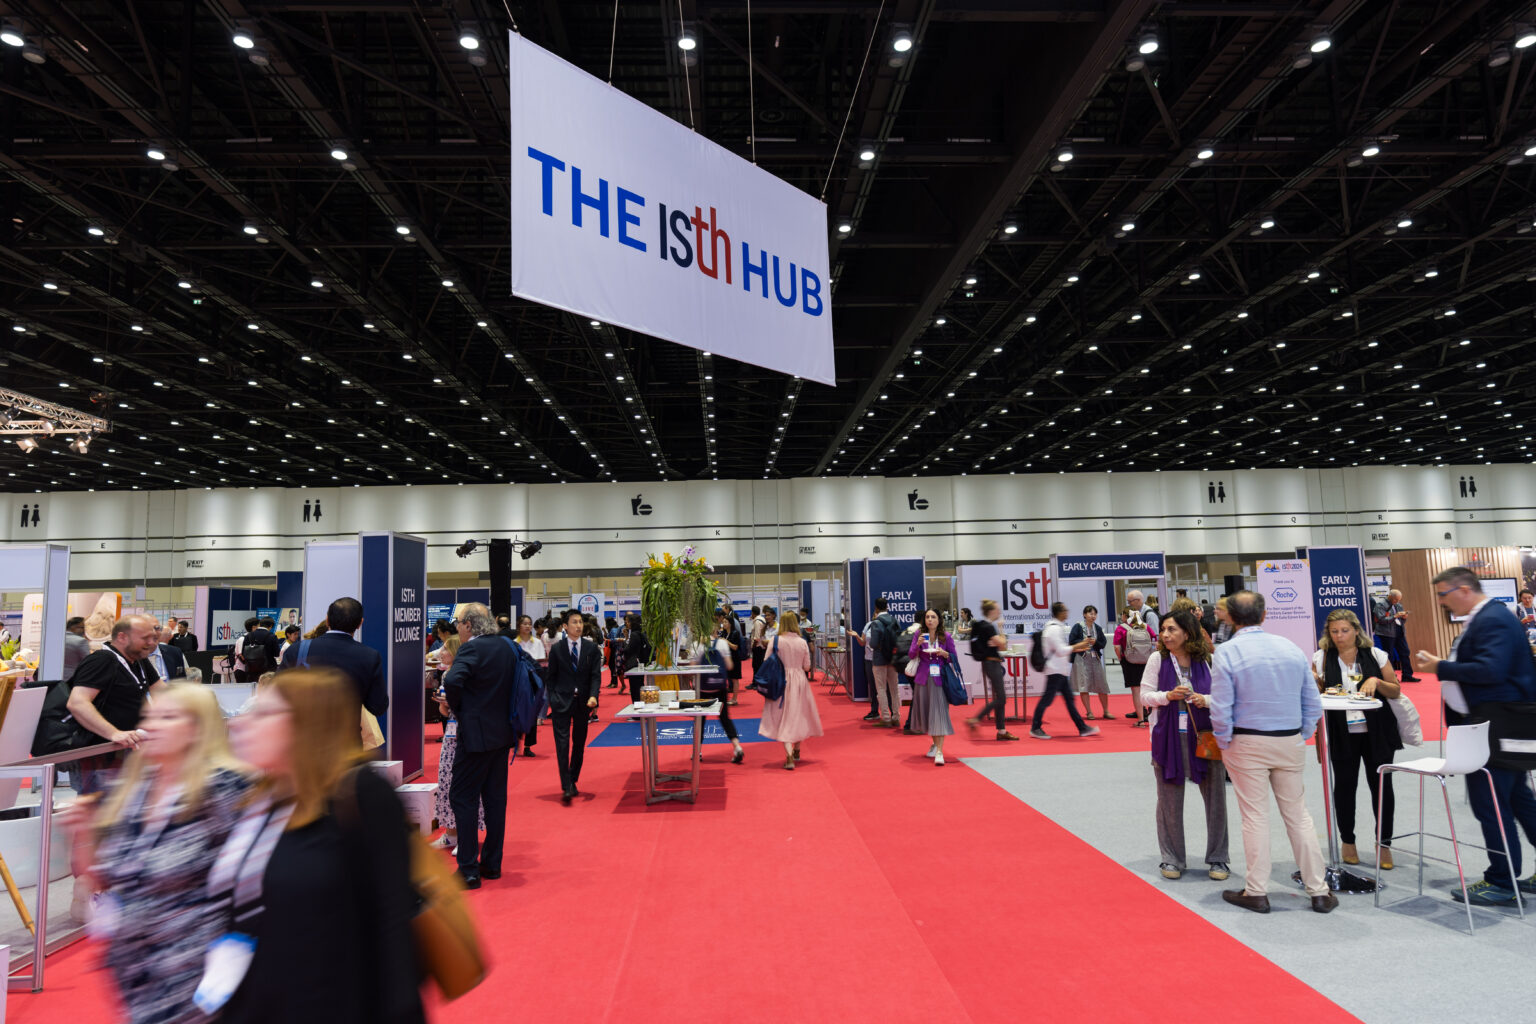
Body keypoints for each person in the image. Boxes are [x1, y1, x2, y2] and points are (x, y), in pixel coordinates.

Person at [216, 669, 423, 1023]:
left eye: (263, 714)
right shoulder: (259, 800)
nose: (241, 724)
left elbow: (393, 926)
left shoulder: (361, 796)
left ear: (304, 725)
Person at [85, 683, 251, 1024]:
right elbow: (113, 875)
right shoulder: (135, 785)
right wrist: (81, 838)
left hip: (199, 975)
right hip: (136, 973)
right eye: (150, 716)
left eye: (168, 717)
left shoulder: (225, 787)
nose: (151, 726)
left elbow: (252, 886)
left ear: (196, 729)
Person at [1414, 567, 1536, 905]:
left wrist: (1439, 667)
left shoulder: (1493, 619)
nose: (1440, 602)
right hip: (1500, 725)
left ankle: (1502, 881)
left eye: (1443, 594)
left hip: (1496, 726)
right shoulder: (1489, 617)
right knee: (1517, 800)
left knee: (1492, 804)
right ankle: (1505, 876)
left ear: (1464, 589)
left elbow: (1490, 670)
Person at [1209, 591, 1334, 914]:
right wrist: (1302, 733)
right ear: (1264, 616)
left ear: (1232, 618)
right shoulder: (1291, 648)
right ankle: (1319, 890)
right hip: (1288, 739)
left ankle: (1256, 892)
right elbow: (1312, 701)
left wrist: (1223, 741)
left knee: (1254, 817)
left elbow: (1221, 706)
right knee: (1299, 816)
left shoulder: (1227, 652)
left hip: (1246, 741)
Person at [1140, 609, 1229, 882]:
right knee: (1168, 800)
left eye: (1171, 630)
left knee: (1216, 800)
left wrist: (1205, 699)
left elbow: (1224, 696)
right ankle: (1171, 858)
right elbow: (1145, 696)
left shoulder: (1209, 660)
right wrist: (1167, 695)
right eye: (1164, 629)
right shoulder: (1158, 659)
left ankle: (1218, 859)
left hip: (1205, 736)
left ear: (1188, 633)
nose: (1165, 635)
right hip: (1168, 738)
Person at [1311, 609, 1402, 871]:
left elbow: (1395, 690)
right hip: (1340, 731)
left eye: (1345, 631)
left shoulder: (1375, 654)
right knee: (1344, 787)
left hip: (1378, 730)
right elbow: (1316, 691)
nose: (1339, 636)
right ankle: (1347, 841)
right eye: (1334, 631)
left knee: (1382, 788)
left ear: (1356, 630)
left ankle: (1383, 844)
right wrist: (1314, 680)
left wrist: (1376, 681)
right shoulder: (1321, 657)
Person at [441, 603, 516, 887]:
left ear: (469, 625)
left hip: (475, 736)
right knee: (496, 801)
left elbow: (453, 681)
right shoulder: (507, 646)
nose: (457, 628)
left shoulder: (472, 648)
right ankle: (492, 865)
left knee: (463, 797)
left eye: (459, 623)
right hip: (502, 734)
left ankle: (469, 869)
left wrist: (460, 710)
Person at [66, 615, 166, 792]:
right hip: (101, 758)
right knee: (101, 813)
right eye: (145, 638)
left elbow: (162, 693)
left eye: (153, 637)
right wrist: (114, 733)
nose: (151, 642)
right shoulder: (102, 660)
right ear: (122, 637)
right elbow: (77, 703)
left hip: (130, 755)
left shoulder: (139, 660)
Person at [278, 598, 388, 718]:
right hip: (346, 734)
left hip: (300, 733)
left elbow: (276, 694)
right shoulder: (369, 656)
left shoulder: (297, 650)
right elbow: (378, 706)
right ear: (360, 624)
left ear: (327, 621)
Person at [430, 637, 482, 854]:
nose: (440, 652)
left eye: (444, 648)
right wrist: (444, 705)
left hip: (466, 735)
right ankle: (451, 833)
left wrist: (452, 703)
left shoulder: (466, 675)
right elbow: (445, 713)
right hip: (450, 737)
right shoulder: (444, 675)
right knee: (446, 783)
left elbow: (470, 706)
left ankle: (466, 837)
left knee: (463, 786)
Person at [544, 608, 601, 805]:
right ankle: (566, 784)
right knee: (562, 744)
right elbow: (550, 678)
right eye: (574, 622)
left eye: (580, 622)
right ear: (565, 626)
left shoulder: (591, 648)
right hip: (561, 701)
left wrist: (594, 696)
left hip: (583, 702)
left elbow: (595, 675)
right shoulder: (558, 649)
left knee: (578, 743)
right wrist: (553, 698)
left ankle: (573, 778)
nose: (578, 625)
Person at [759, 611, 822, 770]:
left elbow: (766, 661)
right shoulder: (802, 642)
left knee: (782, 716)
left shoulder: (775, 640)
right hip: (799, 681)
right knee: (798, 714)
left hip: (779, 681)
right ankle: (797, 749)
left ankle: (788, 754)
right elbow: (807, 666)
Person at [1031, 602, 1099, 741]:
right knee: (1047, 700)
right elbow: (1061, 650)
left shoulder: (1056, 627)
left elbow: (1061, 649)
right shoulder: (1054, 629)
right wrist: (1077, 646)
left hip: (1059, 670)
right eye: (1065, 610)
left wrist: (1077, 647)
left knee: (1069, 700)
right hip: (1054, 670)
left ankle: (1082, 728)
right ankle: (1035, 727)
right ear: (1059, 612)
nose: (1067, 612)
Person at [906, 609, 960, 763]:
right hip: (923, 678)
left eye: (933, 617)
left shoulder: (946, 637)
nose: (930, 620)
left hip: (939, 679)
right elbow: (910, 655)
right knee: (929, 712)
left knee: (939, 712)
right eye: (928, 617)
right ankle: (935, 745)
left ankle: (940, 752)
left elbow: (953, 658)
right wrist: (917, 645)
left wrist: (945, 654)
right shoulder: (919, 635)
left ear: (939, 620)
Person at [966, 600, 1017, 740]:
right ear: (991, 611)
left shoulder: (983, 626)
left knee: (1000, 698)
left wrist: (999, 641)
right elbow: (1003, 646)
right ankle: (976, 719)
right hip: (992, 664)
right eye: (997, 610)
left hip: (990, 663)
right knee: (1001, 698)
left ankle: (1001, 731)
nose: (999, 612)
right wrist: (1001, 630)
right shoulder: (988, 627)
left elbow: (1000, 645)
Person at [696, 622, 746, 764]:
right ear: (716, 630)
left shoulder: (698, 645)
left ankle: (697, 750)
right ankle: (736, 746)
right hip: (720, 686)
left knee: (700, 719)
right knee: (725, 718)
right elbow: (730, 665)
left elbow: (693, 667)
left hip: (703, 687)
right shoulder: (722, 644)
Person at [857, 598, 902, 727]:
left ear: (876, 608)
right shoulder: (894, 620)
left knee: (881, 689)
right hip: (893, 659)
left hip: (879, 659)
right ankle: (896, 716)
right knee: (894, 688)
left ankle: (886, 718)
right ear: (887, 607)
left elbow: (873, 643)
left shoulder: (876, 623)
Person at [1118, 590, 1158, 724]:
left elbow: (1117, 647)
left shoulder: (1149, 614)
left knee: (1137, 688)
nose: (1129, 603)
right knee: (1149, 686)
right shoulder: (1145, 624)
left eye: (1130, 601)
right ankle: (1145, 713)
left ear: (1138, 600)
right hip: (1145, 658)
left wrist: (1121, 659)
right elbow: (1154, 638)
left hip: (1132, 659)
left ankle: (1143, 716)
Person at [1069, 605, 1110, 721]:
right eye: (1091, 614)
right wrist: (1083, 642)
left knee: (1102, 685)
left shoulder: (1097, 628)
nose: (1093, 616)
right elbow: (1071, 641)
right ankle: (1089, 712)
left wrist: (1095, 642)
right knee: (1084, 685)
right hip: (1081, 658)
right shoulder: (1078, 627)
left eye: (1095, 614)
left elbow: (1103, 643)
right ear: (1084, 615)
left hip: (1095, 658)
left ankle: (1106, 711)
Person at [514, 615, 546, 757]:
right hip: (519, 681)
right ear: (519, 626)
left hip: (535, 680)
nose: (527, 626)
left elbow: (542, 662)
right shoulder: (514, 643)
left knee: (532, 712)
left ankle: (528, 745)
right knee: (517, 710)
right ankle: (515, 740)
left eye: (529, 624)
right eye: (524, 623)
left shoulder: (538, 642)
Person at [1373, 589, 1418, 682]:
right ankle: (1391, 677)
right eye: (1395, 600)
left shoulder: (1398, 605)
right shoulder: (1380, 605)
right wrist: (1395, 616)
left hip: (1399, 631)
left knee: (1405, 652)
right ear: (1390, 596)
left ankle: (1407, 675)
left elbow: (1401, 621)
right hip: (1386, 633)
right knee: (1389, 655)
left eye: (1398, 600)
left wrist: (1404, 617)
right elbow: (1381, 620)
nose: (1397, 602)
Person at [621, 613, 651, 704]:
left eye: (628, 622)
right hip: (640, 663)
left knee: (635, 689)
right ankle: (640, 710)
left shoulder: (634, 635)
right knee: (639, 687)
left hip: (634, 664)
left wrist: (625, 642)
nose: (627, 624)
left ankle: (637, 712)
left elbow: (627, 650)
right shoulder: (641, 633)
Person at [62, 615, 92, 682]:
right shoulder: (81, 641)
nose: (84, 630)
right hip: (72, 679)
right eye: (82, 627)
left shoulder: (58, 639)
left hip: (55, 677)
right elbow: (88, 662)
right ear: (73, 627)